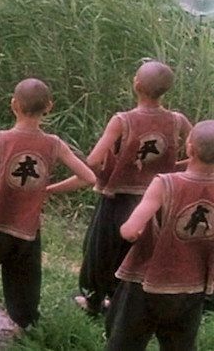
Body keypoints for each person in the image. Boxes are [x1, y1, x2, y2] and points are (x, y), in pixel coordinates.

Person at [0, 78, 97, 329]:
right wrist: (47, 189)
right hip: (27, 227)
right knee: (25, 279)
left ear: (14, 104)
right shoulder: (54, 144)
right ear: (49, 106)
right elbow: (88, 177)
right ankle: (25, 323)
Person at [77, 61, 191, 315]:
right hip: (158, 199)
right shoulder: (177, 120)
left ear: (136, 84)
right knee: (140, 253)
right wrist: (175, 168)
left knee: (101, 250)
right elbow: (200, 153)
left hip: (117, 198)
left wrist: (104, 173)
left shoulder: (123, 121)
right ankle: (126, 304)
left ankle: (95, 301)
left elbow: (94, 160)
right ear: (166, 91)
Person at [104, 120, 214, 351]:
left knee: (126, 342)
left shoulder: (165, 183)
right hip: (193, 285)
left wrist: (135, 232)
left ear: (189, 148)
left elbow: (129, 230)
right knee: (180, 345)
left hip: (148, 281)